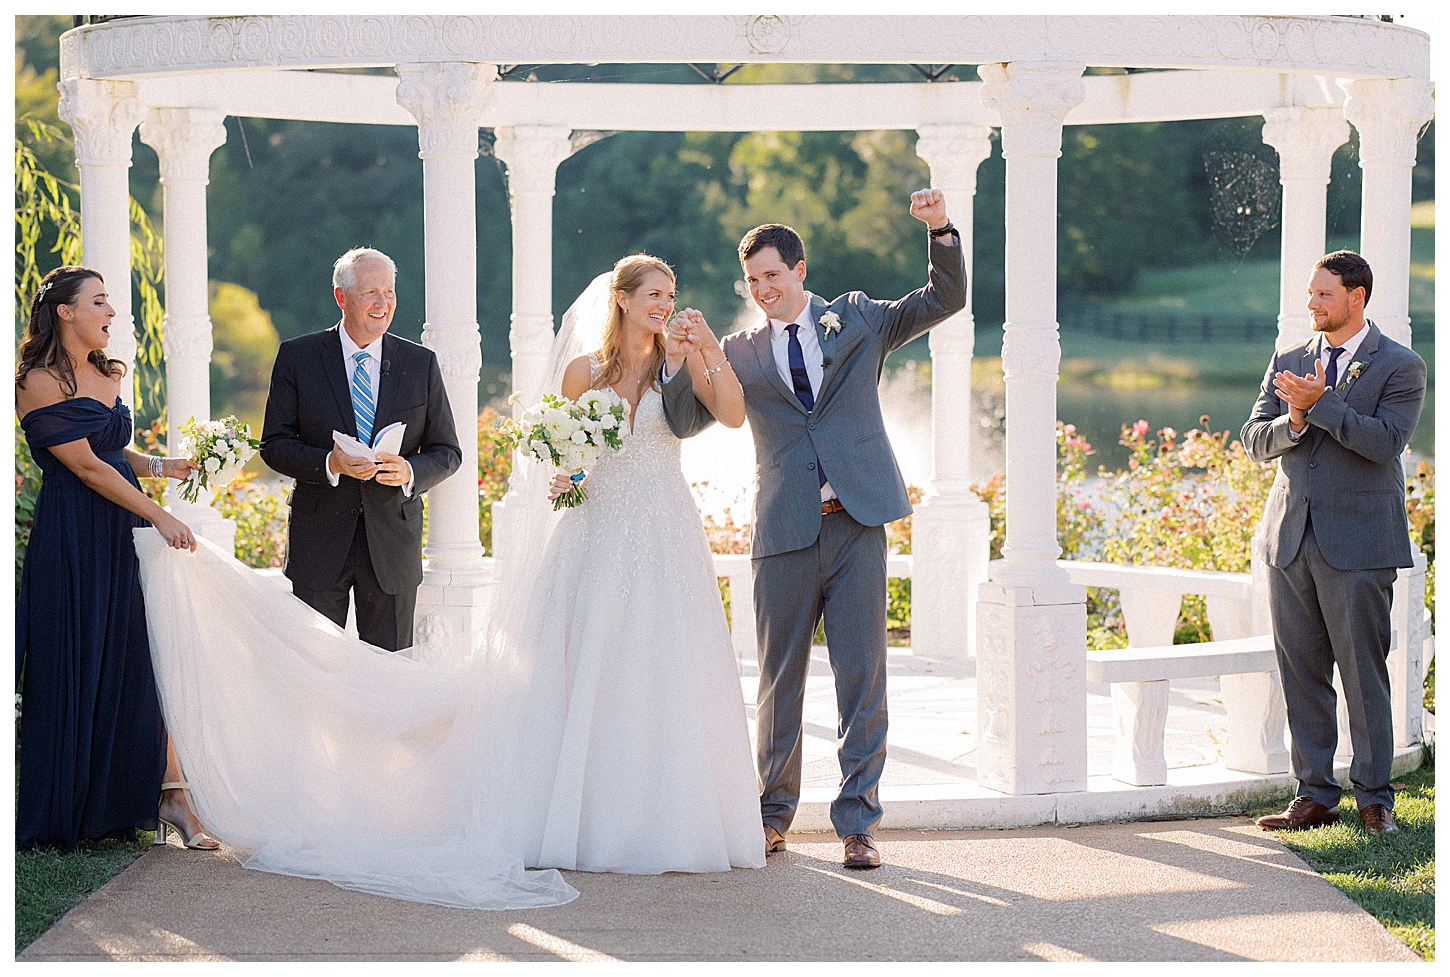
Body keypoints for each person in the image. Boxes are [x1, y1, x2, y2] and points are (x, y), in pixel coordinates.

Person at [123, 254, 761, 909]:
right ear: (621, 299)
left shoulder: (673, 364)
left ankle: (641, 812)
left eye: (670, 293)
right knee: (325, 662)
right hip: (523, 536)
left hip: (652, 536)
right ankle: (311, 804)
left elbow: (731, 416)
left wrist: (706, 344)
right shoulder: (580, 373)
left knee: (652, 671)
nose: (665, 303)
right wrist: (564, 480)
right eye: (654, 292)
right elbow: (570, 466)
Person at [660, 190, 966, 869]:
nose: (762, 289)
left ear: (800, 269)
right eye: (752, 281)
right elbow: (684, 421)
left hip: (857, 522)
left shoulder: (857, 319)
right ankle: (771, 816)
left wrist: (940, 230)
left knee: (863, 676)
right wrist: (680, 361)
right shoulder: (738, 352)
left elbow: (941, 301)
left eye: (772, 275)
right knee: (779, 680)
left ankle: (859, 824)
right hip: (783, 532)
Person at [16, 265, 217, 851]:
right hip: (72, 535)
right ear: (65, 312)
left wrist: (164, 467)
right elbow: (82, 464)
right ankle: (69, 811)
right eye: (100, 302)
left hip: (118, 530)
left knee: (134, 658)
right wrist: (159, 512)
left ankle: (152, 797)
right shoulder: (35, 379)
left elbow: (112, 451)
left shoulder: (106, 374)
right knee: (73, 659)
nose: (112, 313)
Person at [1243, 251, 1425, 837]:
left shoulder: (1400, 366)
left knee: (1364, 674)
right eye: (1310, 295)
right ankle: (1315, 793)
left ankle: (1375, 798)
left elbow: (1385, 443)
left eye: (1324, 295)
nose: (1313, 305)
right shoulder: (1289, 358)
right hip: (1290, 538)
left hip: (1360, 543)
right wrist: (1292, 424)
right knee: (1301, 671)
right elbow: (1253, 439)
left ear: (1357, 297)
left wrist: (1321, 406)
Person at [260, 248, 462, 652]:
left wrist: (409, 471)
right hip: (319, 544)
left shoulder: (420, 363)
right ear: (341, 298)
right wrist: (329, 463)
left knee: (391, 674)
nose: (382, 303)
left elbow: (447, 451)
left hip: (392, 544)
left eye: (389, 292)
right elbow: (275, 445)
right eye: (371, 292)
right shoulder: (298, 358)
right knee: (316, 669)